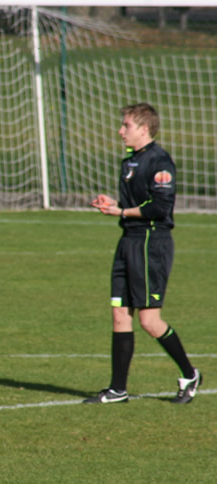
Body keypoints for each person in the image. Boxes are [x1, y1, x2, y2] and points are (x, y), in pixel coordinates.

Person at [87, 102, 200, 404]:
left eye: (126, 125)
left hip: (151, 243)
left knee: (149, 321)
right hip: (129, 240)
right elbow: (137, 202)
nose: (120, 131)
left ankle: (190, 374)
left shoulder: (160, 161)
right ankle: (117, 389)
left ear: (144, 129)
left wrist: (121, 210)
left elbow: (160, 207)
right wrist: (113, 203)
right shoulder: (130, 161)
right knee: (119, 313)